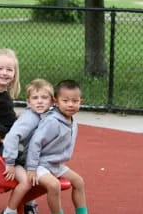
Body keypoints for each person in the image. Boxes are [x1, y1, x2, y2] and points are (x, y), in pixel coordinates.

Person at [26, 80, 88, 214]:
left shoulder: (71, 120)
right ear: (56, 101)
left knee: (79, 182)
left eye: (75, 101)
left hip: (55, 164)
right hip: (40, 164)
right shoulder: (52, 121)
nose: (70, 104)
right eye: (65, 101)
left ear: (80, 101)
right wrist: (31, 168)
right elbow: (35, 143)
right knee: (54, 186)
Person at [1, 79, 54, 214]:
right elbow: (12, 137)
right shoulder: (30, 118)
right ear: (29, 103)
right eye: (35, 98)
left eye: (44, 97)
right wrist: (10, 162)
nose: (40, 101)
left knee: (38, 178)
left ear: (52, 101)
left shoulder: (47, 116)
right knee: (26, 182)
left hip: (28, 159)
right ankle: (10, 211)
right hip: (16, 159)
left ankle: (28, 204)